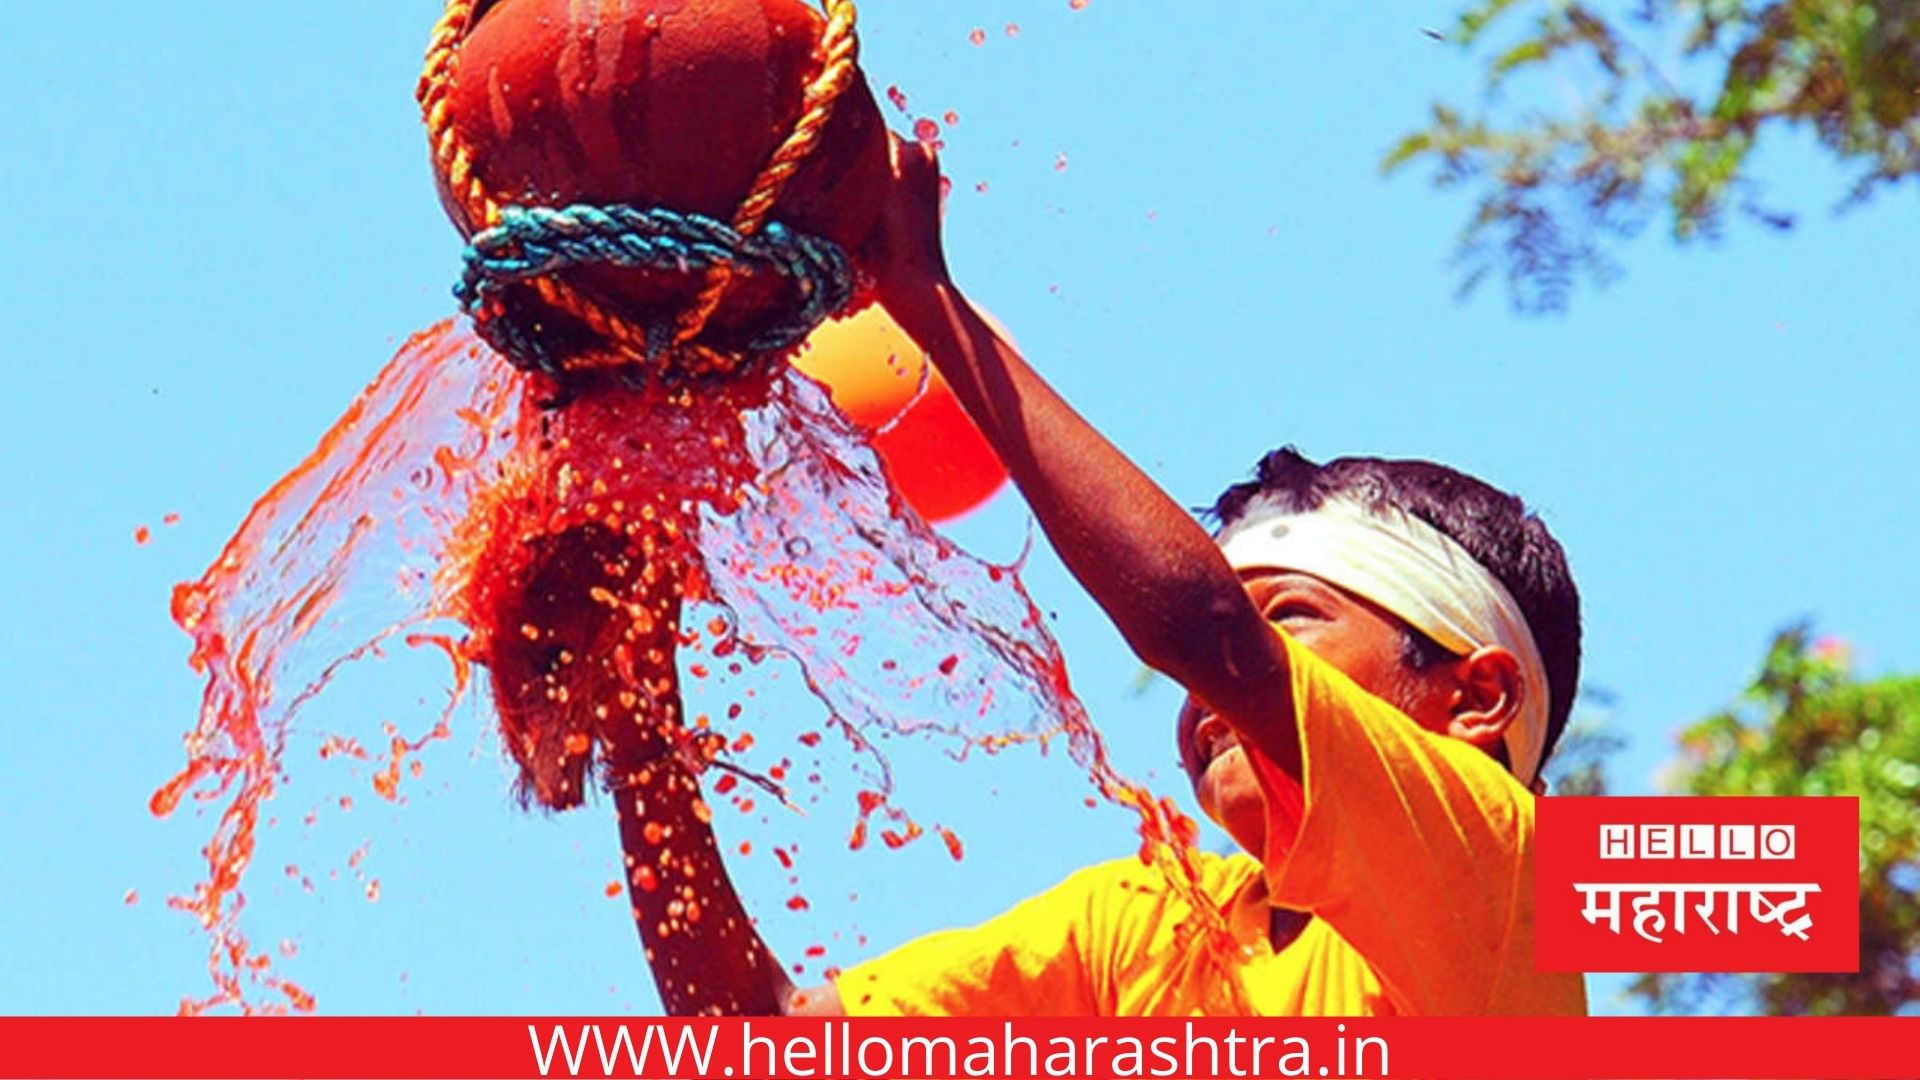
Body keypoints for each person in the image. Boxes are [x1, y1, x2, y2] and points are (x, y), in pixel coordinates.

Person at [611, 136, 1588, 1017]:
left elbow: (1203, 628)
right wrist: (629, 691)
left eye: (1291, 616)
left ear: (1477, 697)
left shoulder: (1500, 870)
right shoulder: (1154, 929)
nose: (1205, 695)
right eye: (1241, 641)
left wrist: (927, 303)